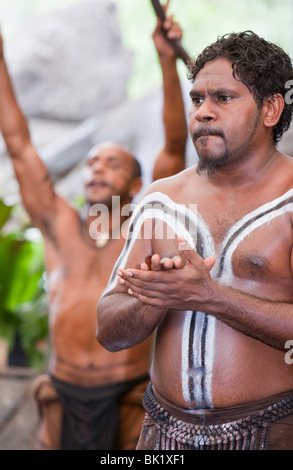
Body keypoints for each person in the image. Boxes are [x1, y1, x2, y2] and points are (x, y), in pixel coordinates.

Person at [0, 5, 187, 450]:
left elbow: (175, 143)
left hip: (129, 398)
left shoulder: (146, 223)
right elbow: (19, 145)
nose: (96, 170)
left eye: (112, 163)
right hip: (63, 394)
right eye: (91, 163)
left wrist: (164, 60)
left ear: (137, 183)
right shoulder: (59, 224)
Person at [97, 30, 293, 451]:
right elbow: (108, 331)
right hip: (160, 434)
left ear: (271, 108)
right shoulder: (159, 200)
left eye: (223, 98)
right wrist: (156, 297)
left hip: (273, 431)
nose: (203, 112)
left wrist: (210, 297)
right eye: (197, 99)